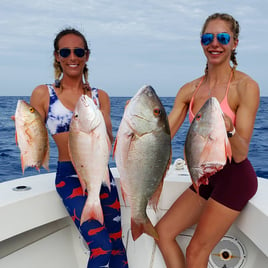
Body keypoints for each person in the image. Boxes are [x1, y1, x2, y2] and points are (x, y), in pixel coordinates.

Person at [155, 13, 259, 268]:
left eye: (223, 37)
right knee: (163, 232)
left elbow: (241, 153)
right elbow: (163, 135)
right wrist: (144, 120)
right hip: (204, 177)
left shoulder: (246, 87)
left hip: (235, 178)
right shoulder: (190, 90)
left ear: (234, 43)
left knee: (196, 252)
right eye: (208, 38)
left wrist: (230, 129)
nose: (215, 44)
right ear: (201, 43)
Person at [30, 28, 128, 268]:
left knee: (117, 248)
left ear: (86, 56)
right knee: (101, 246)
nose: (72, 57)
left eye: (78, 51)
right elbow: (35, 138)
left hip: (101, 174)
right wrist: (26, 130)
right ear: (57, 56)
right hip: (69, 178)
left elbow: (108, 140)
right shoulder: (44, 93)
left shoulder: (100, 96)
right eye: (66, 52)